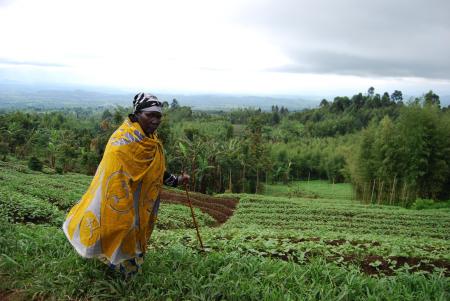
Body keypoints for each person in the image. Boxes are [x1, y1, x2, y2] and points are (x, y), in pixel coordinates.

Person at [63, 92, 189, 276]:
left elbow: (156, 171)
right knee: (121, 226)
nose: (155, 120)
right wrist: (124, 207)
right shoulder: (122, 141)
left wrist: (177, 180)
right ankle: (116, 269)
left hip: (142, 203)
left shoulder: (151, 140)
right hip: (119, 199)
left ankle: (126, 272)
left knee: (135, 232)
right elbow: (114, 176)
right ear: (137, 114)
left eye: (158, 115)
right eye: (150, 115)